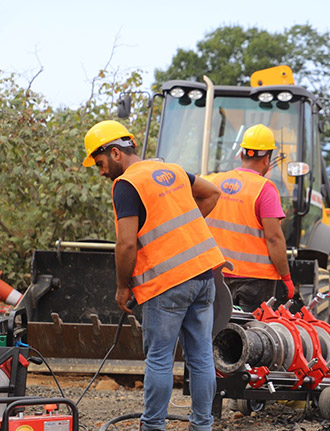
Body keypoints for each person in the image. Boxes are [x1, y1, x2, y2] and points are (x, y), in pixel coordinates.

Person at [82, 120, 225, 431]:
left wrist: (123, 286)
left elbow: (126, 243)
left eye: (101, 163)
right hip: (204, 275)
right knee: (200, 356)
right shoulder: (171, 170)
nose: (103, 171)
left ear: (116, 153)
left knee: (160, 358)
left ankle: (152, 426)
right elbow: (212, 193)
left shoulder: (127, 185)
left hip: (167, 283)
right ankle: (202, 426)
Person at [205, 124, 295, 312]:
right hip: (255, 282)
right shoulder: (265, 189)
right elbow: (274, 238)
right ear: (267, 159)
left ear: (241, 154)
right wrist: (286, 278)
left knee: (214, 332)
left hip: (216, 275)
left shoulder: (214, 181)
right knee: (251, 336)